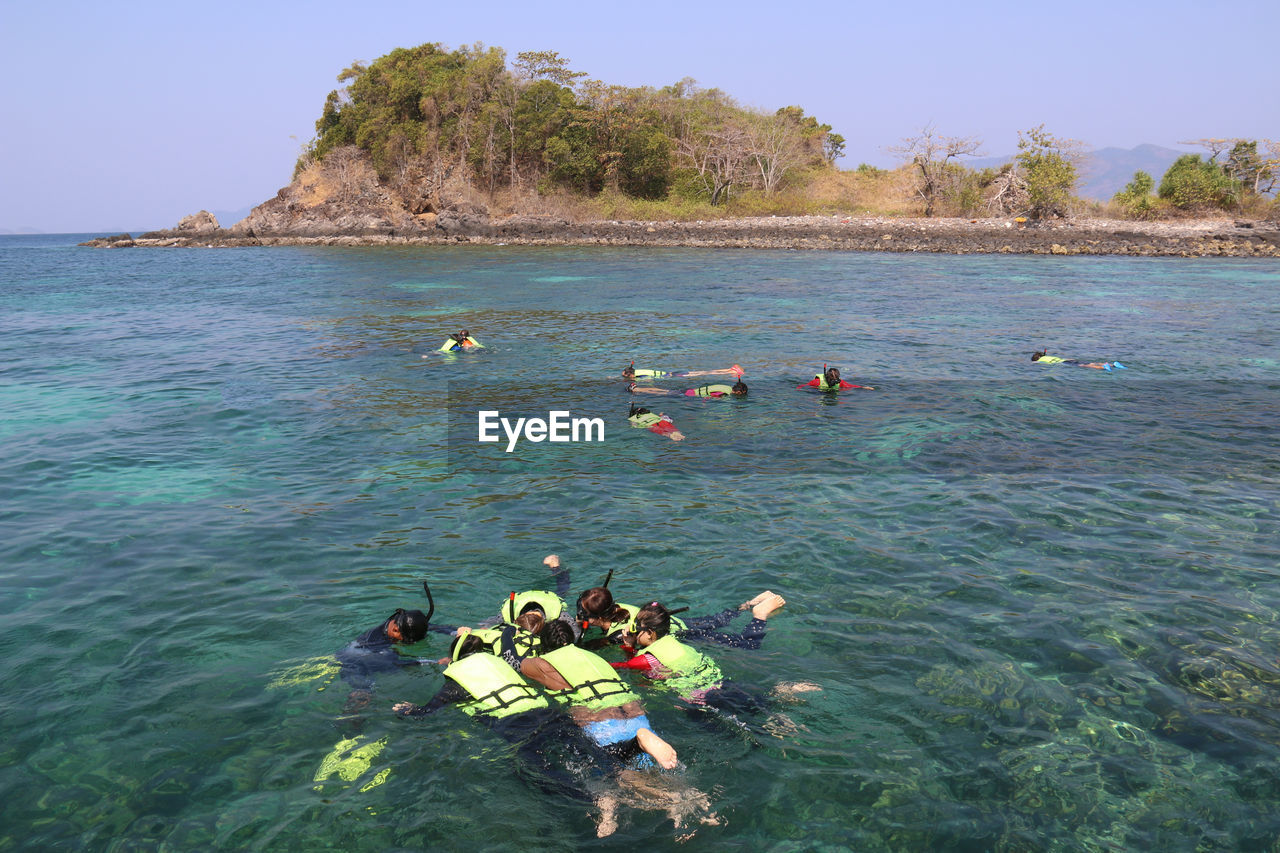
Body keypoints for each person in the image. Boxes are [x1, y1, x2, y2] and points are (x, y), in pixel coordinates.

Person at [522, 620, 678, 770]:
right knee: (654, 772)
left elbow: (524, 666)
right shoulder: (594, 658)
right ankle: (641, 741)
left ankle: (637, 744)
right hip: (634, 714)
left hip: (603, 722)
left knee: (619, 767)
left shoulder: (545, 663)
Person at [576, 586, 777, 650]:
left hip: (684, 636)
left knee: (747, 645)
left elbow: (591, 647)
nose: (580, 616)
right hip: (679, 622)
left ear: (597, 617)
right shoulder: (623, 609)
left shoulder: (616, 635)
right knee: (718, 620)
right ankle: (748, 604)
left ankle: (760, 616)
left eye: (583, 614)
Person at [623, 364, 743, 381]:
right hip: (674, 373)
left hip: (675, 375)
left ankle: (732, 370)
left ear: (631, 374)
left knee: (705, 373)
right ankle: (730, 369)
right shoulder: (640, 371)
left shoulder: (640, 375)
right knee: (705, 372)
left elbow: (648, 380)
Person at [629, 381, 748, 398]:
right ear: (738, 392)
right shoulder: (726, 393)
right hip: (688, 394)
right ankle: (637, 389)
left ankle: (637, 388)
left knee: (662, 390)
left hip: (690, 390)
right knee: (663, 392)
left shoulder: (726, 386)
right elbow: (712, 396)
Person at [1031, 350, 1126, 371]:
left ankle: (1103, 367)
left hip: (1064, 363)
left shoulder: (1040, 361)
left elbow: (1035, 362)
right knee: (1090, 363)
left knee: (1086, 366)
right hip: (1068, 360)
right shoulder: (1048, 356)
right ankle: (1113, 364)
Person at [799, 366, 873, 391]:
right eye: (831, 379)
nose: (833, 381)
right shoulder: (817, 382)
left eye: (835, 380)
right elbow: (804, 386)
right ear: (827, 377)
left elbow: (852, 386)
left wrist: (864, 387)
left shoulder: (840, 382)